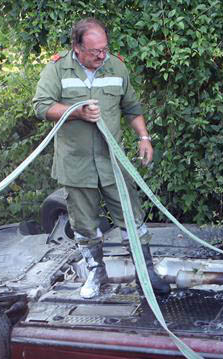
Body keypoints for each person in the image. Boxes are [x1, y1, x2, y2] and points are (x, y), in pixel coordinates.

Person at [32, 17, 169, 298]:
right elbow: (41, 106)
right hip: (76, 164)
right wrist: (77, 112)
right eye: (94, 51)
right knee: (83, 225)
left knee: (133, 219)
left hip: (113, 163)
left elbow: (132, 107)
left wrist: (144, 137)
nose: (101, 55)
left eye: (104, 49)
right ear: (77, 47)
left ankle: (146, 273)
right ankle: (96, 273)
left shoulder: (116, 65)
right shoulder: (57, 69)